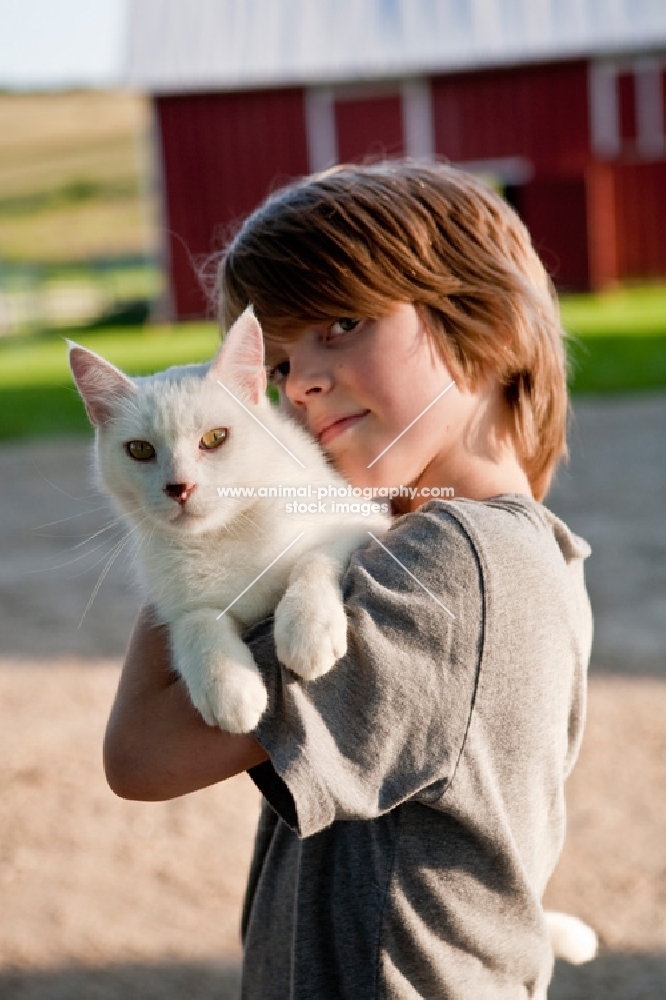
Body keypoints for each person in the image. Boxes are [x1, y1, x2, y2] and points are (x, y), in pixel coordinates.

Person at [104, 161, 593, 998]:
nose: (300, 384)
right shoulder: (494, 548)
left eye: (340, 322)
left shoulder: (457, 565)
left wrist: (194, 519)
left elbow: (144, 754)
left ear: (486, 316)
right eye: (281, 361)